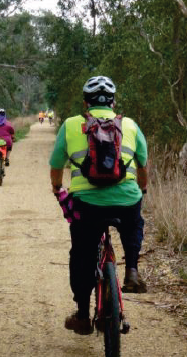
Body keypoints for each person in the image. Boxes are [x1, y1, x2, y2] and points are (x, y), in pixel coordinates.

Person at [49, 76, 148, 335]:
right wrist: (142, 190)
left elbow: (56, 164)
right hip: (126, 200)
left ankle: (82, 315)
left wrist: (57, 188)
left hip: (87, 204)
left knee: (81, 253)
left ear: (86, 103)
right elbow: (143, 165)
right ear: (113, 103)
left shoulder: (71, 125)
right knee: (133, 224)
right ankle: (132, 271)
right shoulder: (130, 125)